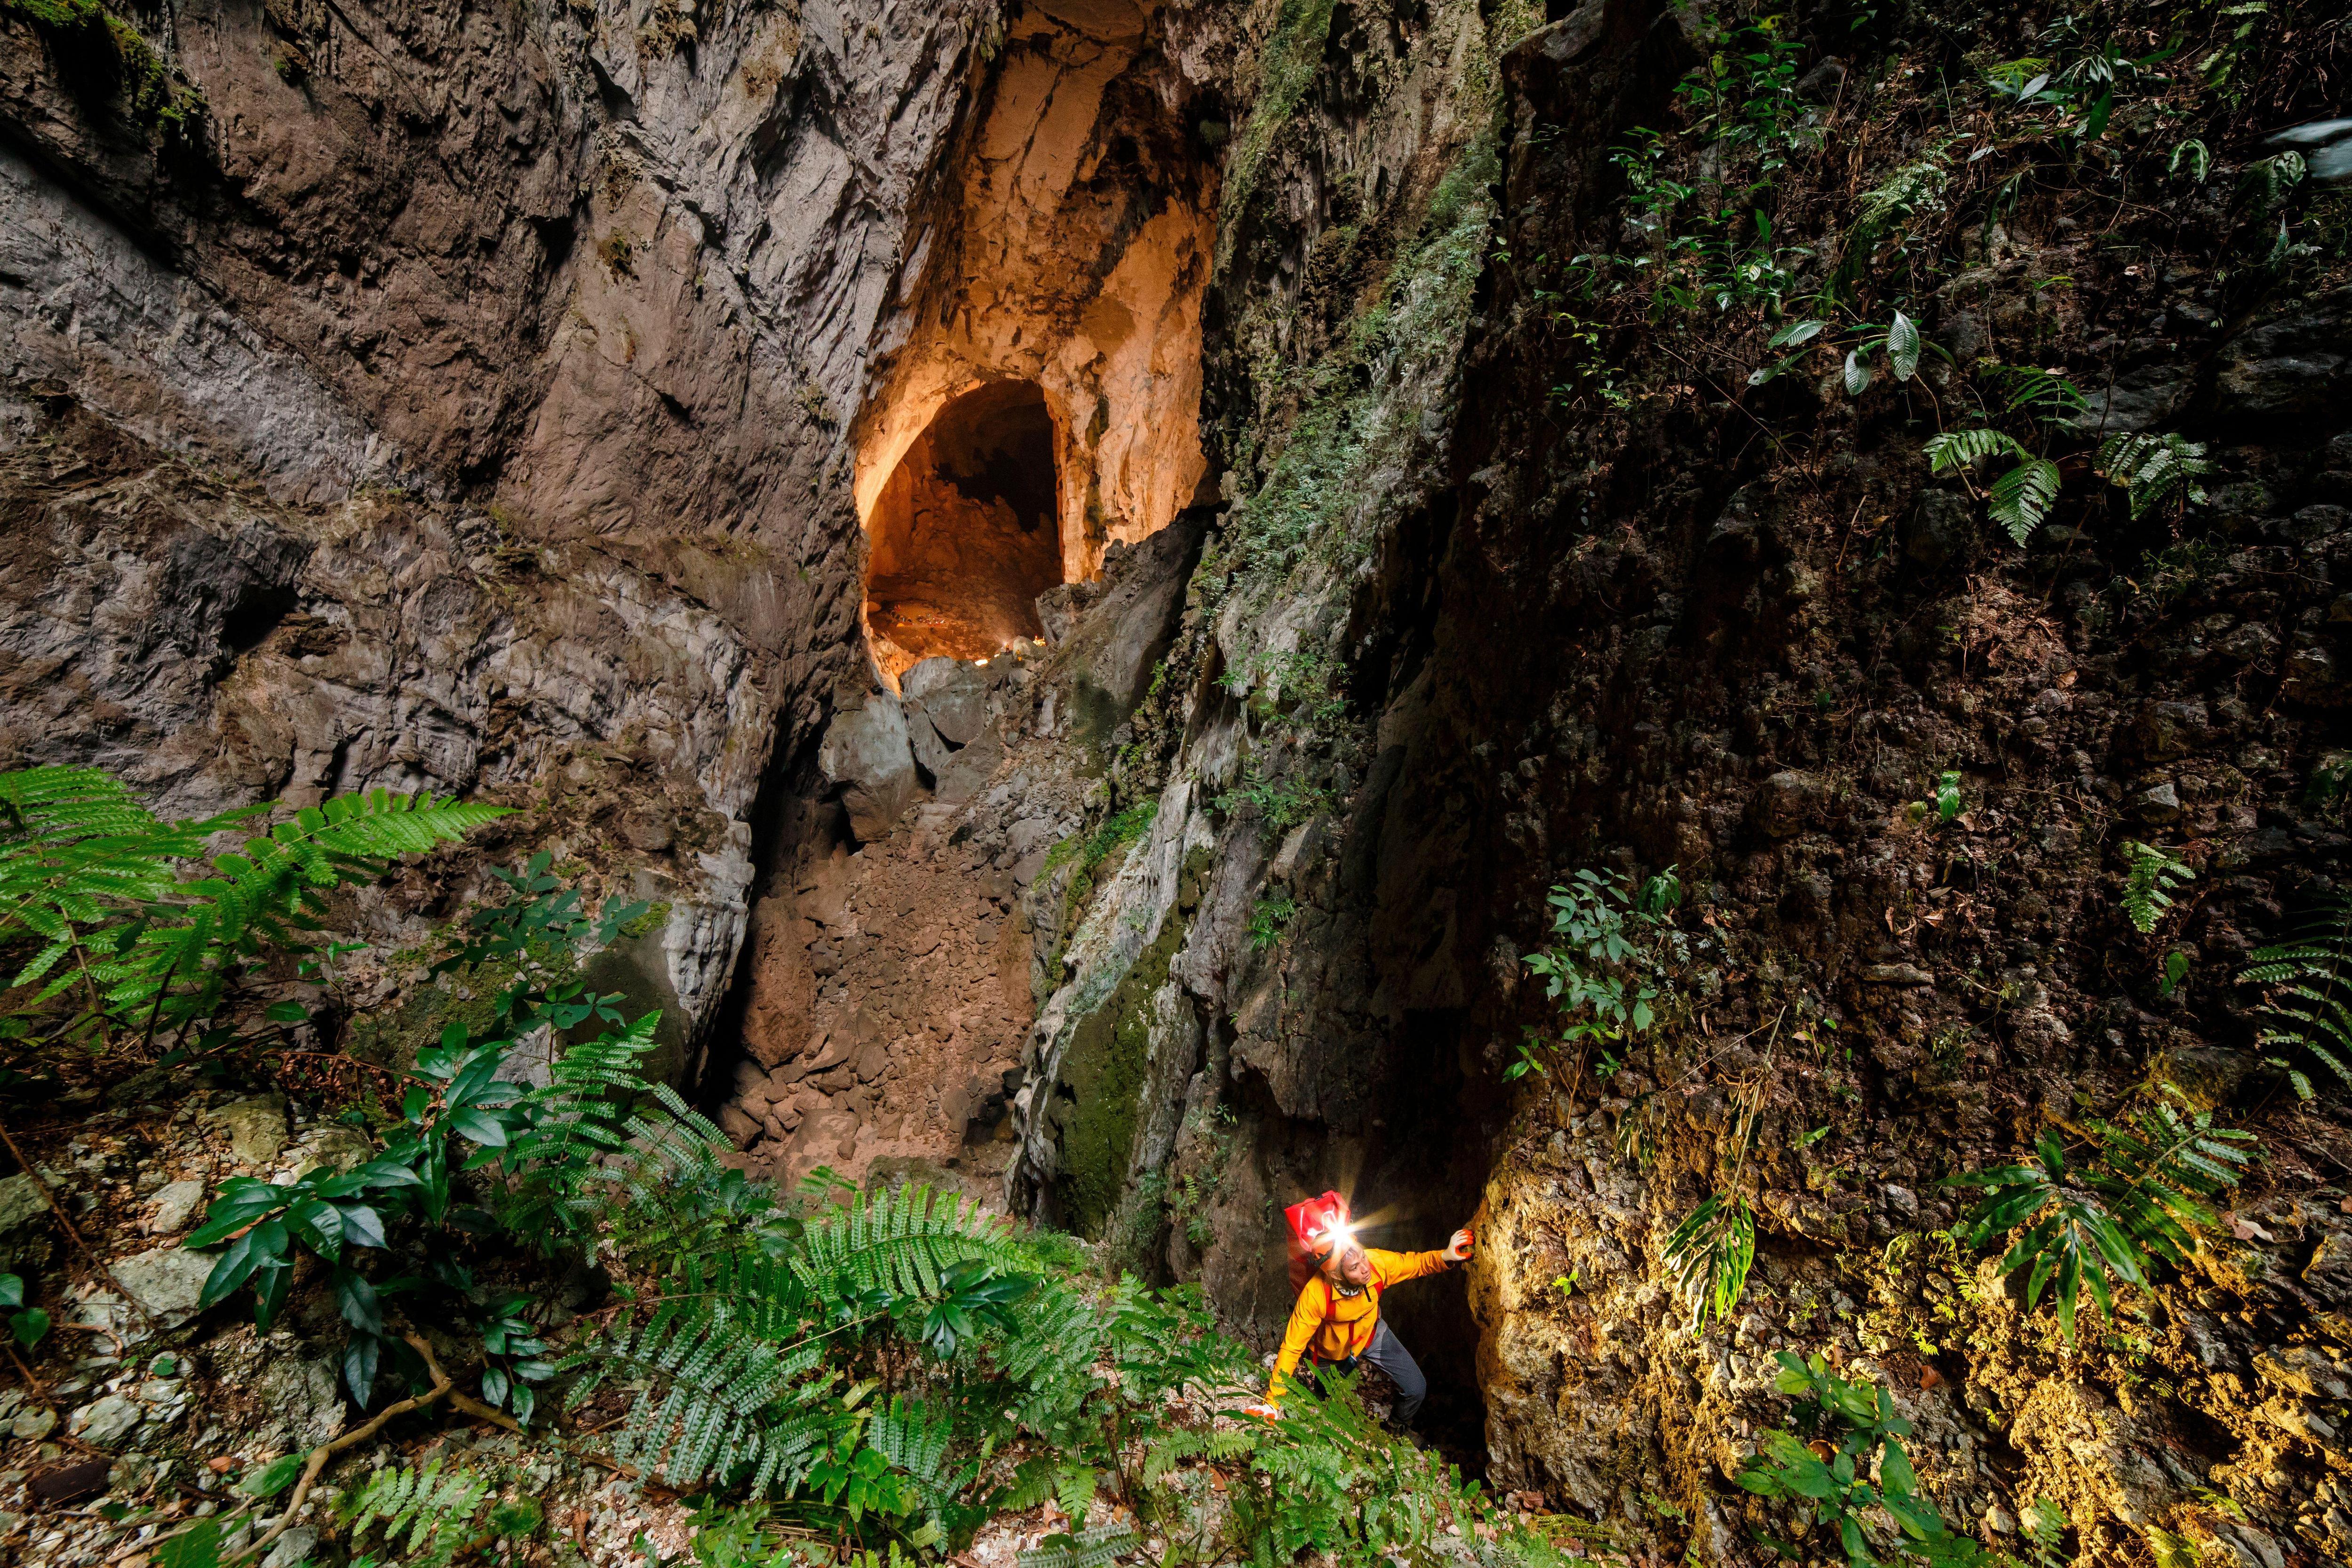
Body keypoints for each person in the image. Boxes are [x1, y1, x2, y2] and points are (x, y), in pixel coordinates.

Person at [1248, 1191, 1473, 1427]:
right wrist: (1272, 1403)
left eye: (1362, 1258)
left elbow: (1414, 1264)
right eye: (1355, 1267)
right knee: (1325, 1402)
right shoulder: (1316, 1295)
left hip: (1372, 1334)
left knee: (1416, 1388)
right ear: (1336, 1275)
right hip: (1330, 1352)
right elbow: (1292, 1347)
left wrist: (1446, 1256)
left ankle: (1395, 1428)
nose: (1365, 1268)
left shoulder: (1375, 1264)